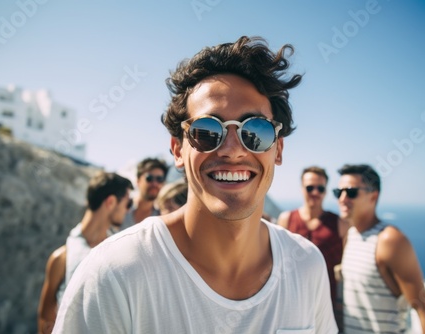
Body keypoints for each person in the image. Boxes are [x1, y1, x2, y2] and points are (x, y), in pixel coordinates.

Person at [53, 36, 338, 333]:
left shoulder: (306, 265)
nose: (232, 149)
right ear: (178, 149)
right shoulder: (114, 272)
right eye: (207, 130)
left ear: (277, 150)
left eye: (255, 130)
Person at [335, 164, 425, 334]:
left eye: (351, 192)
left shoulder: (390, 240)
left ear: (373, 197)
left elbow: (424, 311)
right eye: (338, 192)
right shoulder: (351, 235)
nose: (342, 198)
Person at [37, 172, 133, 334]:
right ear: (110, 202)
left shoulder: (118, 253)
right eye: (128, 203)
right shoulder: (61, 258)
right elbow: (46, 321)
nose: (128, 210)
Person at [277, 166, 349, 323]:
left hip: (327, 306)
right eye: (310, 188)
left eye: (320, 188)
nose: (315, 193)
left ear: (326, 191)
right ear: (302, 188)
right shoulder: (287, 219)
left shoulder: (339, 224)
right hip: (291, 304)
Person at [120, 157, 169, 228]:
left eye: (159, 179)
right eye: (149, 178)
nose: (155, 184)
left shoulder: (161, 217)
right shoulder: (121, 209)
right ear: (138, 181)